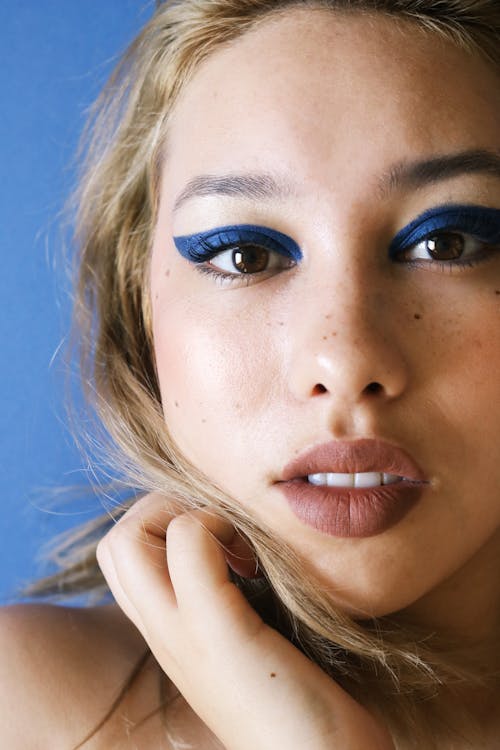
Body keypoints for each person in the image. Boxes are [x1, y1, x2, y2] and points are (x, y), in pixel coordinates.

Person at [2, 0, 500, 747]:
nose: (346, 360)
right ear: (143, 297)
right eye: (247, 255)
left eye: (448, 241)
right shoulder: (28, 710)